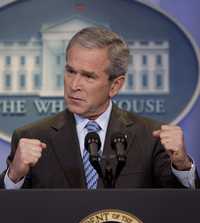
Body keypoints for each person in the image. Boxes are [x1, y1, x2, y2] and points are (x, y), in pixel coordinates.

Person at [0, 26, 198, 189]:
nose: (74, 84)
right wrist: (14, 175)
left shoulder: (150, 137)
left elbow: (179, 211)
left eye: (88, 76)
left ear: (115, 86)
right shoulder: (32, 137)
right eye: (70, 71)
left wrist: (182, 166)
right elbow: (12, 216)